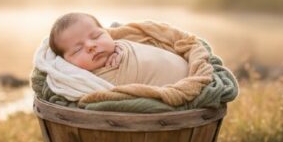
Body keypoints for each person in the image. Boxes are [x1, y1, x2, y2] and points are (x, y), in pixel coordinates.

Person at [48, 12, 189, 87]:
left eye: (96, 36)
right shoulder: (85, 82)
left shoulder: (124, 44)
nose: (90, 46)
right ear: (66, 63)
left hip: (187, 72)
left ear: (108, 33)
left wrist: (121, 49)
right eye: (78, 50)